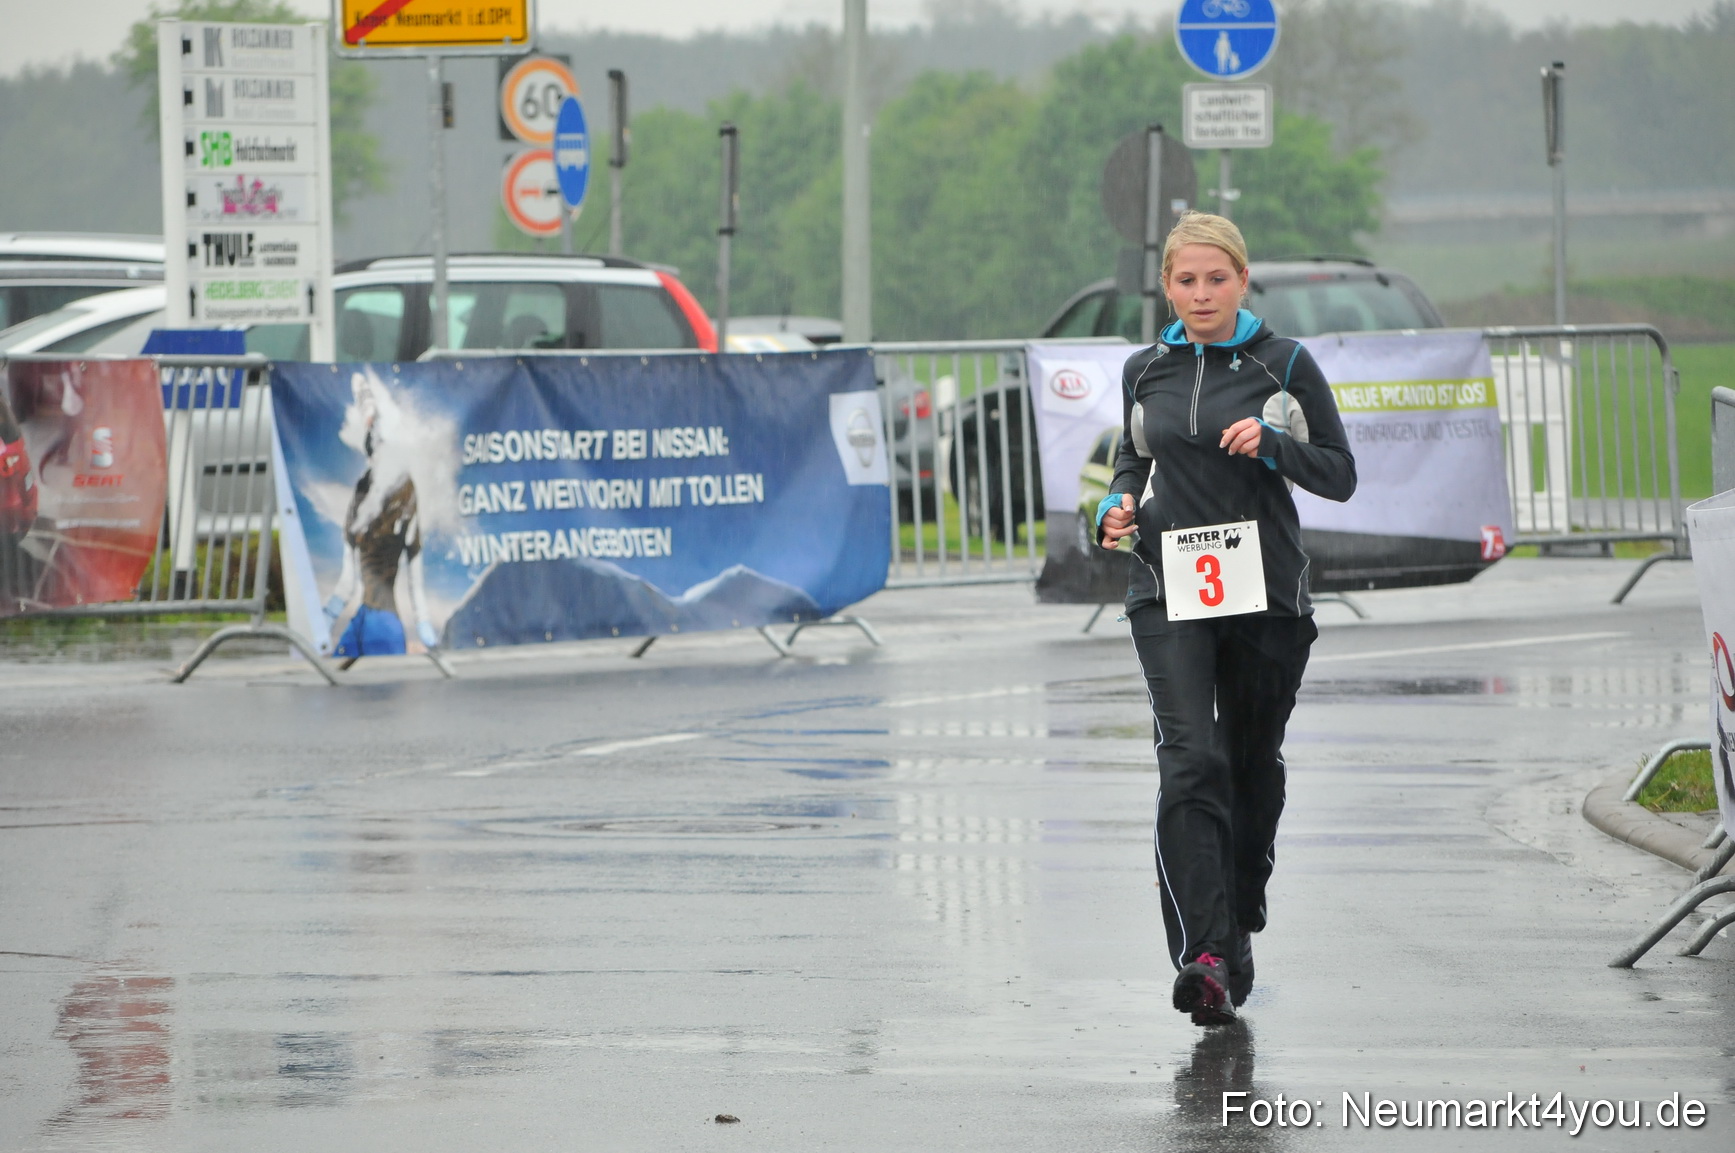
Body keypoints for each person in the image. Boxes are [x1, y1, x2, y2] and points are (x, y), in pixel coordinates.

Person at [1095, 212, 1356, 1026]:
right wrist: (1114, 505)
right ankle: (1203, 954)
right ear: (1166, 286)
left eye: (1216, 278)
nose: (1200, 293)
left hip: (1265, 593)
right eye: (1185, 280)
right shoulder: (1147, 368)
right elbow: (1132, 457)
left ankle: (1238, 910)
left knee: (1249, 765)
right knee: (1190, 760)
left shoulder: (1284, 364)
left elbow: (1339, 475)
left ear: (1241, 281)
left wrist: (1275, 446)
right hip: (1167, 583)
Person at [324, 371, 441, 659]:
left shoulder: (378, 499)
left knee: (357, 687)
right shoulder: (393, 496)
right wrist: (424, 622)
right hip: (377, 621)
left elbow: (348, 581)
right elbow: (414, 581)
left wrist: (324, 620)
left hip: (374, 622)